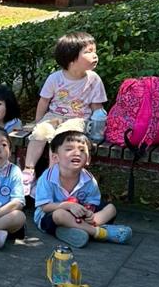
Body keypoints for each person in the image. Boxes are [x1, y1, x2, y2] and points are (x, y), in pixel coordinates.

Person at [21, 32, 107, 194]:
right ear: (71, 58)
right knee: (40, 132)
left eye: (94, 51)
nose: (95, 55)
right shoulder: (55, 78)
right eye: (88, 52)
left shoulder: (94, 79)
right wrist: (37, 122)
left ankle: (51, 177)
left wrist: (99, 127)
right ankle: (28, 171)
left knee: (62, 136)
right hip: (54, 116)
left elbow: (97, 107)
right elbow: (44, 101)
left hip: (78, 119)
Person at [33, 130, 131, 248]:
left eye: (82, 150)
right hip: (51, 216)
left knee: (111, 209)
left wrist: (89, 212)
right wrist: (68, 206)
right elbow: (45, 206)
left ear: (88, 159)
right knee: (60, 215)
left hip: (79, 215)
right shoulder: (47, 178)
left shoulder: (89, 179)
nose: (77, 153)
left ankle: (75, 230)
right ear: (55, 157)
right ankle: (98, 232)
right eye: (69, 149)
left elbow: (92, 202)